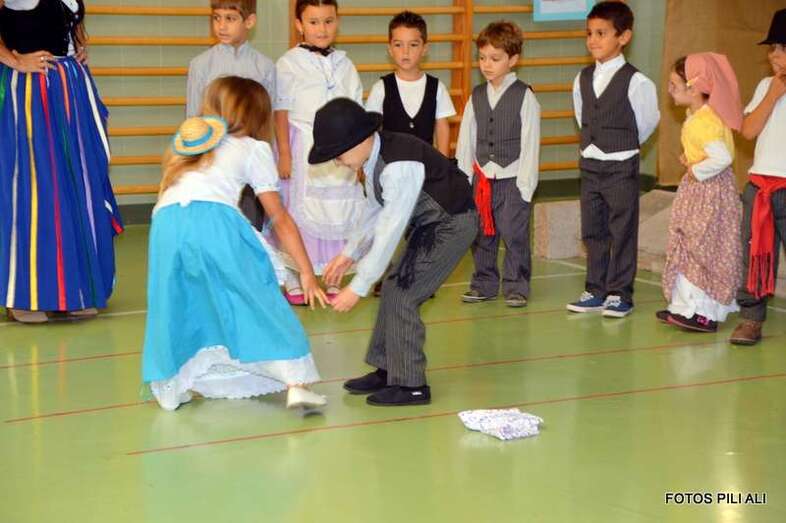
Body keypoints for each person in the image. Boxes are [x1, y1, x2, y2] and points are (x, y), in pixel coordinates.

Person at [142, 77, 328, 412]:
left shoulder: (188, 145)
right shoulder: (253, 148)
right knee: (255, 296)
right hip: (215, 221)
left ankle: (172, 387)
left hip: (165, 224)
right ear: (258, 114)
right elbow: (279, 217)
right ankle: (295, 382)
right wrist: (306, 272)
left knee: (178, 302)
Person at [316, 98, 478, 407]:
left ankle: (412, 386)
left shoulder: (398, 165)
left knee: (404, 294)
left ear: (360, 140)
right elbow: (375, 210)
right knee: (393, 286)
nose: (337, 162)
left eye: (338, 154)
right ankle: (390, 368)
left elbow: (390, 229)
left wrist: (359, 286)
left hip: (453, 223)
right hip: (429, 225)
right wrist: (349, 254)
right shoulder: (373, 159)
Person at [0, 0, 123, 323]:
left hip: (71, 90)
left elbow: (70, 20)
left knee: (76, 187)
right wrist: (14, 59)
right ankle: (24, 295)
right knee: (35, 191)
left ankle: (73, 291)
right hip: (29, 94)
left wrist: (78, 44)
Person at [567, 1, 659, 318]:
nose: (593, 40)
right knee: (593, 230)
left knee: (622, 230)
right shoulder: (581, 78)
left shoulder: (637, 81)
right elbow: (582, 115)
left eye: (601, 33)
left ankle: (620, 293)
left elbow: (646, 122)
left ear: (624, 37)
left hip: (620, 165)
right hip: (590, 165)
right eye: (589, 33)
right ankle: (595, 289)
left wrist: (621, 146)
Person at [273, 0, 365, 305]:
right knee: (298, 211)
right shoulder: (288, 63)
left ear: (337, 21)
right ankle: (297, 276)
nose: (322, 29)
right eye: (313, 22)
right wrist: (284, 153)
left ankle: (333, 276)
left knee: (337, 211)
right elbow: (280, 111)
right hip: (303, 146)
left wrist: (359, 156)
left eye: (328, 21)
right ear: (299, 25)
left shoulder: (346, 64)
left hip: (341, 149)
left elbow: (356, 108)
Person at [456, 21, 540, 308]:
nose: (487, 65)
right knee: (482, 234)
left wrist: (525, 185)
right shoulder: (476, 96)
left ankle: (516, 285)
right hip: (482, 179)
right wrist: (464, 179)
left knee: (514, 235)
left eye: (495, 58)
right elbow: (466, 139)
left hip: (513, 178)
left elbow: (530, 143)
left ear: (512, 60)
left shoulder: (524, 95)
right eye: (482, 58)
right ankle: (484, 283)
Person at [659, 53, 743, 333]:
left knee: (700, 246)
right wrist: (692, 160)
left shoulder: (703, 121)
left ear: (694, 88)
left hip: (708, 194)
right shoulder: (700, 116)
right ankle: (683, 307)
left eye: (674, 85)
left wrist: (696, 170)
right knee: (689, 244)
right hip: (703, 191)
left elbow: (722, 158)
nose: (669, 90)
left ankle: (703, 312)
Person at [729, 9, 786, 346]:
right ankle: (751, 319)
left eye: (782, 48)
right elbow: (748, 130)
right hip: (760, 188)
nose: (774, 55)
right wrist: (772, 95)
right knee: (754, 256)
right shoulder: (767, 85)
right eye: (773, 48)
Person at [185, 0, 275, 118]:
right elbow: (193, 118)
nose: (221, 26)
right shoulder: (200, 64)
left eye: (230, 19)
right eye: (216, 18)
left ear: (249, 21)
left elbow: (268, 117)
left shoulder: (265, 66)